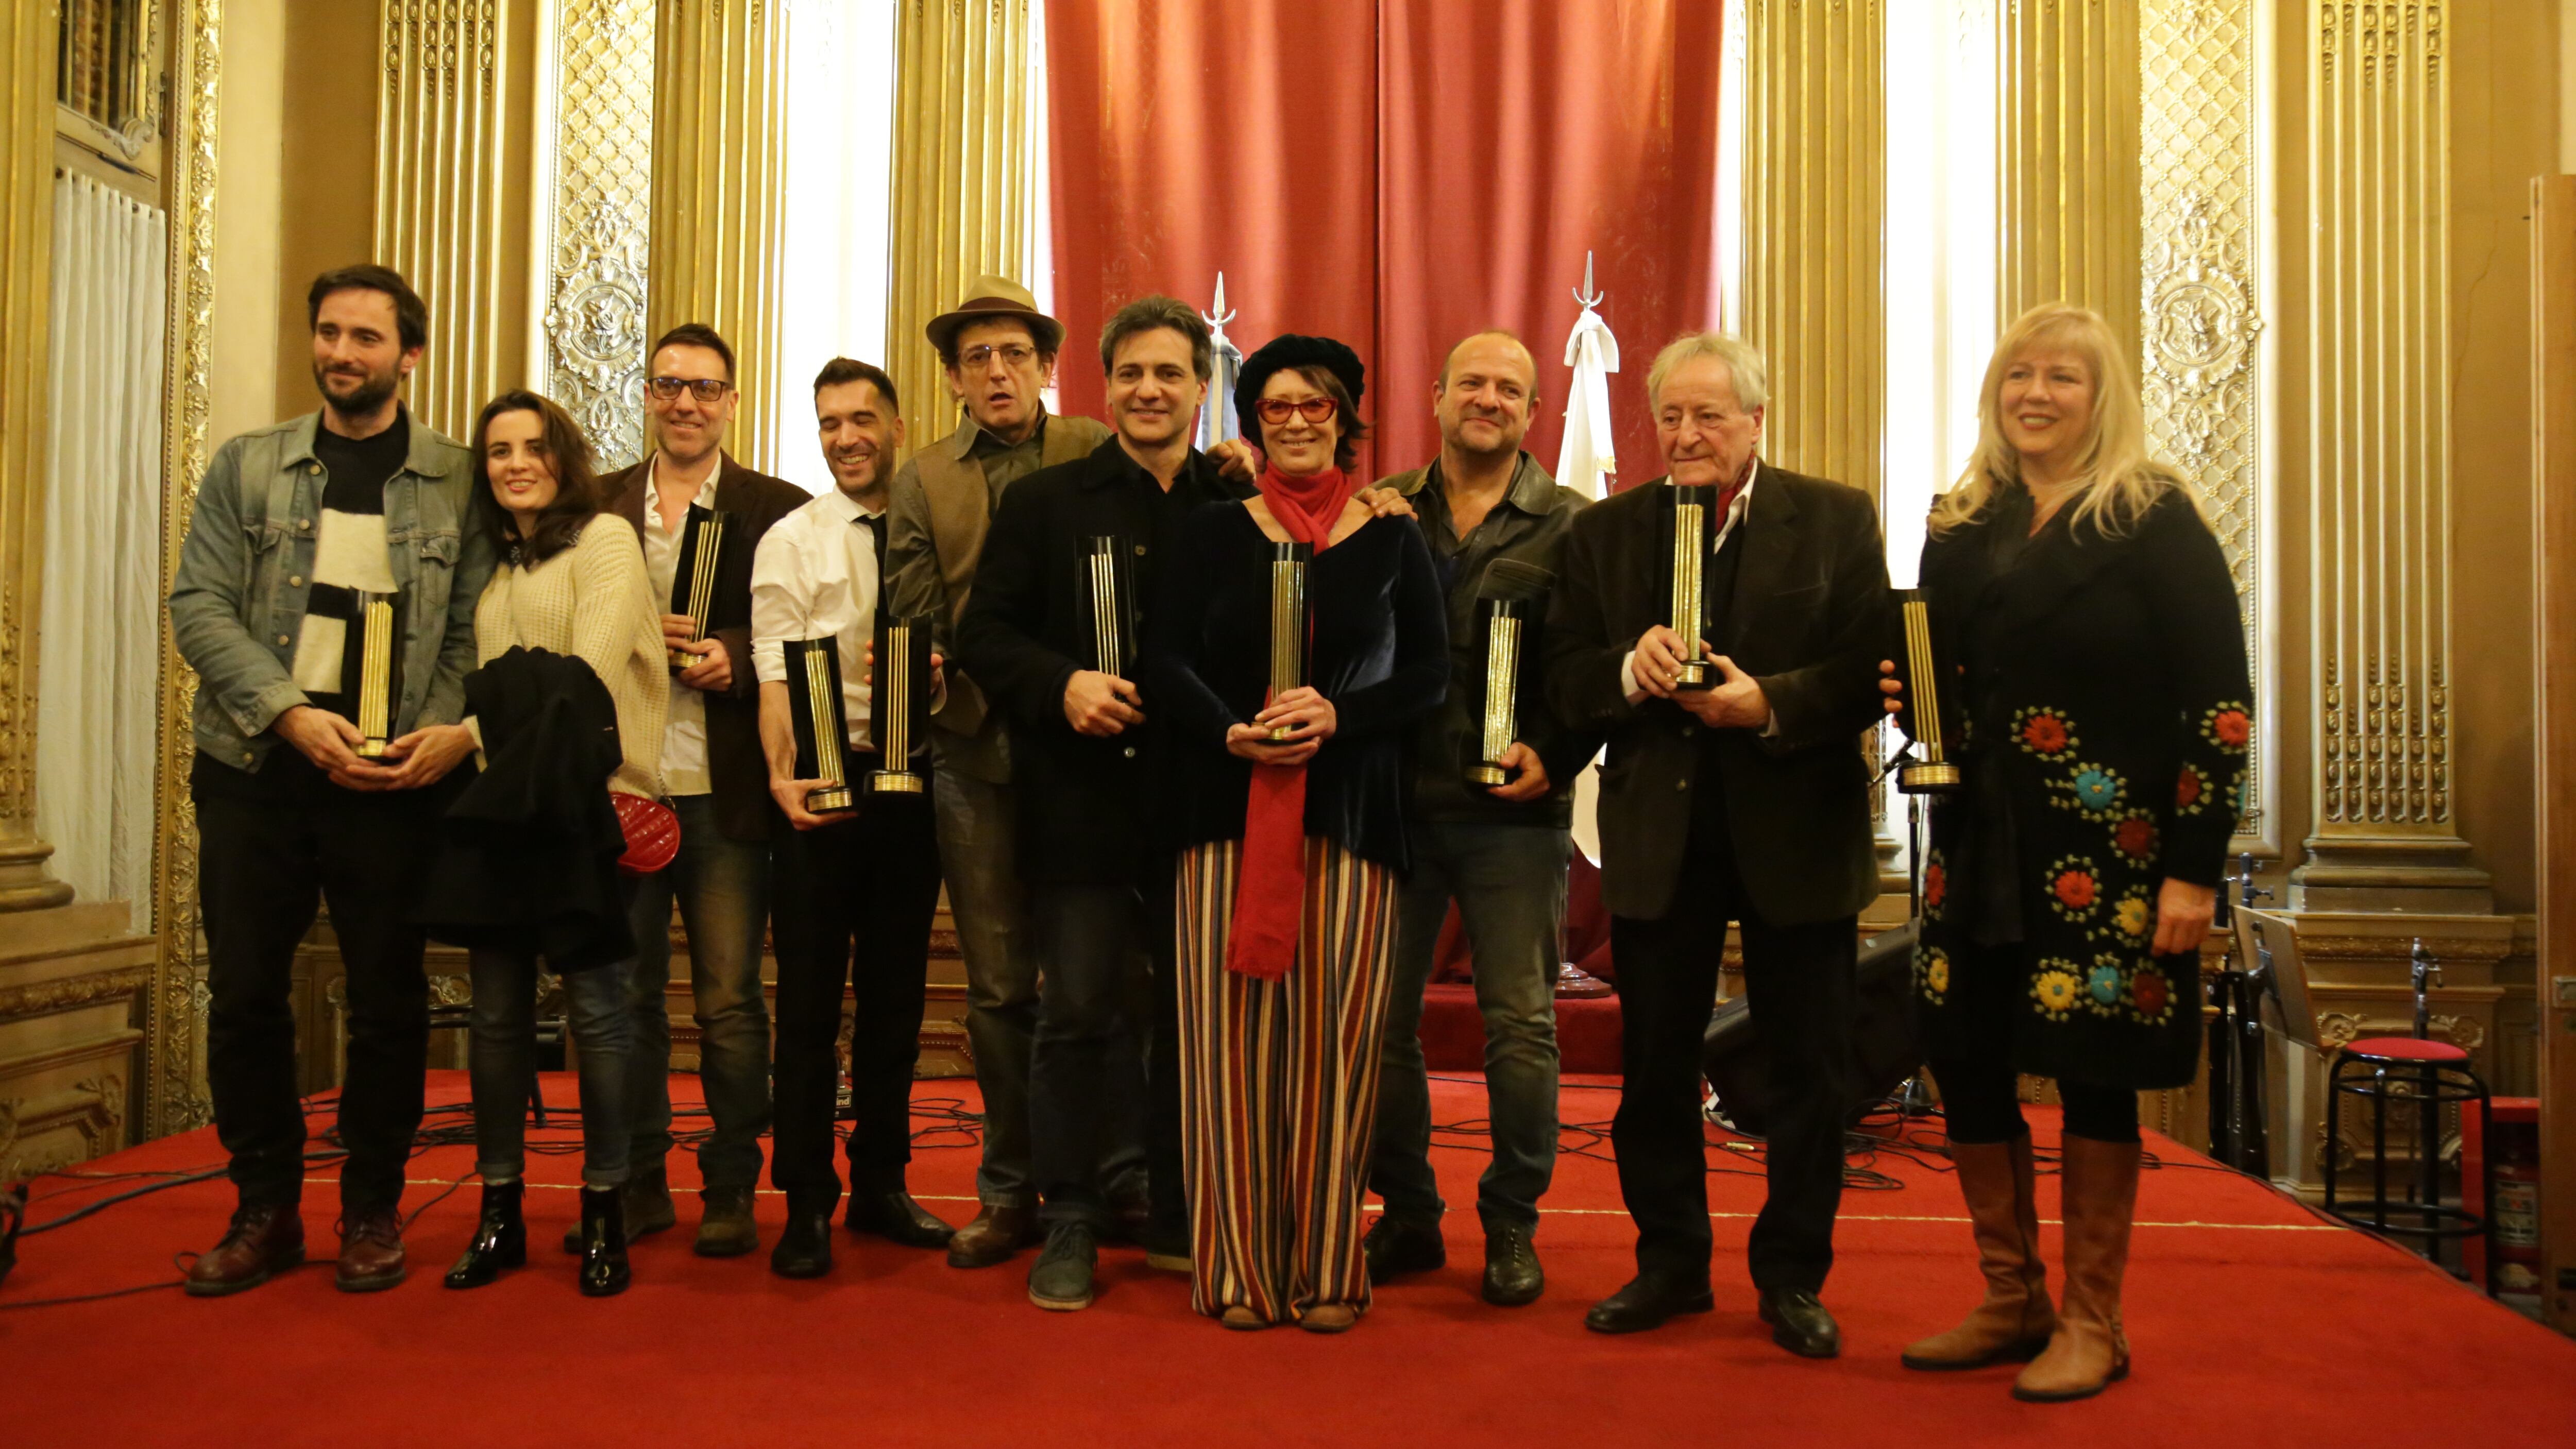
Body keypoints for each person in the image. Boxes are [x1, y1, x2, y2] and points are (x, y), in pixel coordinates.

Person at [1888, 302, 2249, 1402]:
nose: (2035, 395)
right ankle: (2012, 1296)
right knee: (1965, 1057)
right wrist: (1911, 702)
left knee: (2094, 1075)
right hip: (1974, 845)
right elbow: (1939, 688)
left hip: (2111, 856)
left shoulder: (2153, 518)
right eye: (2018, 376)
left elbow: (2218, 706)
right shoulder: (1959, 521)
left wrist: (2194, 867)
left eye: (2063, 379)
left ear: (2103, 400)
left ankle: (2096, 1319)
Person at [1543, 332, 1889, 1355]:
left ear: (1755, 421)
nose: (1687, 436)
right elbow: (1560, 679)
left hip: (1797, 831)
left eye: (1709, 417)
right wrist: (1622, 668)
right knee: (1653, 1068)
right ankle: (1669, 1266)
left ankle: (1791, 1278)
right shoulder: (1605, 534)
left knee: (1809, 1072)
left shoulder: (1833, 519)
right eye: (1672, 418)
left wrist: (1763, 704)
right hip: (1660, 838)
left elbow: (1869, 669)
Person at [168, 264, 493, 1296]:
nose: (341, 353)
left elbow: (473, 628)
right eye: (329, 333)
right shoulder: (249, 466)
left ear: (410, 353)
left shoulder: (458, 478)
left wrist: (430, 734)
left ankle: (370, 1211)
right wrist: (294, 716)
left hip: (394, 782)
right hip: (257, 766)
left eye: (365, 337)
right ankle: (264, 1209)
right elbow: (199, 607)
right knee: (248, 996)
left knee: (390, 1002)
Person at [955, 296, 1257, 1310]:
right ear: (1104, 383)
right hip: (1078, 805)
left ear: (1200, 388)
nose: (1149, 390)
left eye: (1170, 373)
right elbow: (985, 636)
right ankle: (1071, 1215)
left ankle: (1177, 1207)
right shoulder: (1046, 504)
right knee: (1075, 1014)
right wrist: (1062, 685)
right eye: (1130, 373)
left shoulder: (1233, 510)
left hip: (1200, 811)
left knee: (1188, 1019)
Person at [1148, 334, 1447, 1333]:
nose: (1295, 420)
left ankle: (1327, 1265)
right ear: (1252, 420)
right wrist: (1226, 730)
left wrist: (1340, 718)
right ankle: (1234, 1267)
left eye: (1314, 405)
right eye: (1275, 405)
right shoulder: (1208, 532)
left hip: (1354, 820)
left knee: (1337, 1047)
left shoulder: (1393, 535)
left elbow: (1429, 678)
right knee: (1227, 1053)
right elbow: (1164, 660)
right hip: (1223, 820)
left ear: (1344, 417)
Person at [884, 275, 1129, 1267]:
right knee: (997, 991)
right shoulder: (924, 477)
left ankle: (1113, 1178)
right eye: (978, 356)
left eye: (1015, 353)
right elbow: (911, 606)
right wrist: (935, 657)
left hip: (1084, 755)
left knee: (1098, 981)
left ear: (1046, 366)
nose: (998, 370)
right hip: (975, 752)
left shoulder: (1094, 450)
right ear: (953, 378)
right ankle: (1008, 1187)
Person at [413, 390, 666, 1297]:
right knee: (495, 1015)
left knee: (597, 1013)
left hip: (587, 808)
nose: (514, 463)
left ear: (564, 456)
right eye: (496, 451)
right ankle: (500, 1211)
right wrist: (482, 728)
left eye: (532, 447)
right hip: (501, 814)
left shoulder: (604, 540)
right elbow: (505, 691)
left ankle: (605, 1208)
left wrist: (470, 733)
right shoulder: (497, 571)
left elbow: (578, 684)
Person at [1361, 330, 1592, 1308]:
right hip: (1393, 807)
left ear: (1533, 412)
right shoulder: (1378, 511)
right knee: (1377, 1023)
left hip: (1515, 817)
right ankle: (1409, 1213)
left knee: (1521, 1027)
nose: (1487, 399)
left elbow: (1594, 667)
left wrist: (1562, 751)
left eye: (1508, 387)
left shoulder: (1575, 525)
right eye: (1471, 383)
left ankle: (1511, 1223)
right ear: (1438, 393)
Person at [587, 322, 808, 1257]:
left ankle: (729, 1185)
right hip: (621, 783)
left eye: (706, 388)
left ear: (731, 400)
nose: (686, 403)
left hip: (724, 790)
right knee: (625, 994)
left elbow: (807, 636)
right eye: (670, 385)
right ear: (646, 393)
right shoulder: (592, 506)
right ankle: (636, 1182)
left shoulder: (777, 508)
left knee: (727, 999)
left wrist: (741, 658)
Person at [754, 357, 957, 1278]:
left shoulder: (934, 529)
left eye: (862, 419)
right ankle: (803, 1198)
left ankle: (881, 1183)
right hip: (821, 793)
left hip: (913, 787)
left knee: (895, 1003)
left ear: (899, 425)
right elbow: (771, 669)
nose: (846, 437)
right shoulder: (792, 539)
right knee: (804, 1008)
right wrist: (781, 775)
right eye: (830, 422)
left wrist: (946, 668)